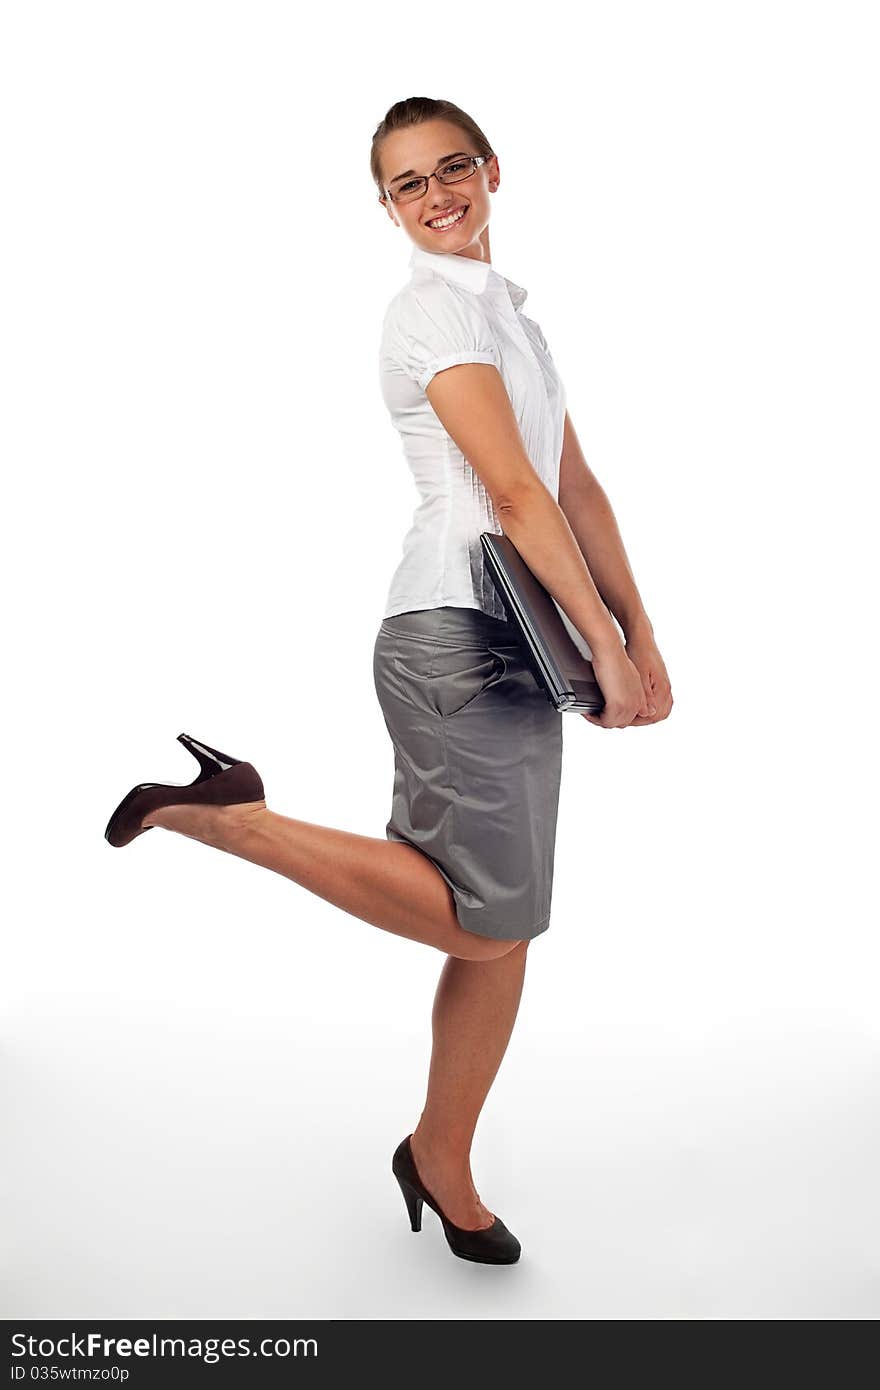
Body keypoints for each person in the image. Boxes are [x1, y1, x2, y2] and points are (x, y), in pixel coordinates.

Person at [103, 96, 673, 1267]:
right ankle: (235, 820)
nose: (436, 194)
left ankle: (440, 1153)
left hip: (521, 638)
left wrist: (641, 632)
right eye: (409, 184)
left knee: (502, 929)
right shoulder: (427, 315)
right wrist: (605, 650)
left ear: (491, 169)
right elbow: (513, 498)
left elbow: (579, 487)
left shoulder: (510, 317)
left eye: (450, 168)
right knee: (484, 917)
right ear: (387, 207)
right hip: (458, 637)